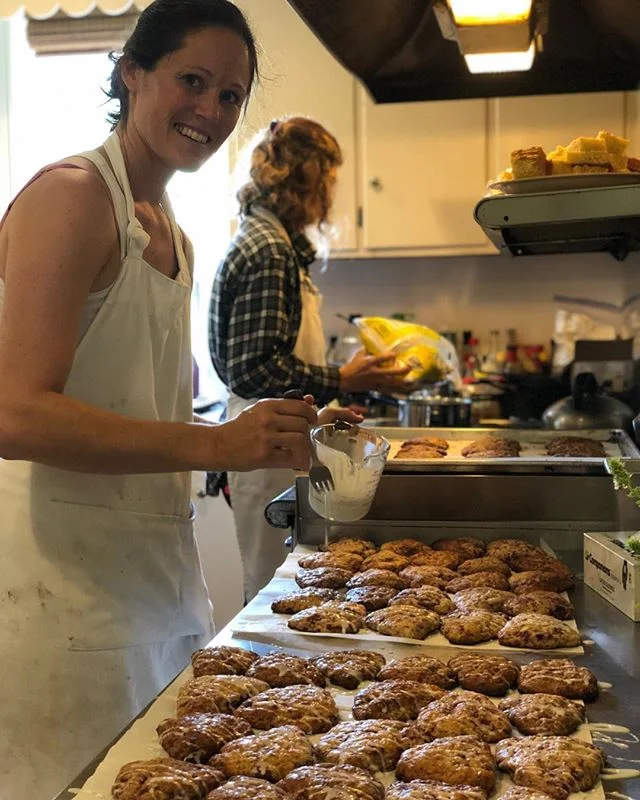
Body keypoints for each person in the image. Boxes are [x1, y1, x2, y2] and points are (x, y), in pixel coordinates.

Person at [0, 2, 325, 797]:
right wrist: (213, 446)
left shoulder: (172, 231)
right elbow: (14, 413)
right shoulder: (72, 196)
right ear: (130, 74)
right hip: (57, 594)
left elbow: (141, 409)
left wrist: (257, 431)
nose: (210, 110)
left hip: (149, 583)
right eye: (193, 81)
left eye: (230, 95)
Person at [209, 116, 410, 601]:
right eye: (330, 178)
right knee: (272, 596)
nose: (331, 193)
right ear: (308, 178)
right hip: (265, 451)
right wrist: (342, 377)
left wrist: (321, 407)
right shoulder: (269, 251)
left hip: (276, 439)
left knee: (292, 591)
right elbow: (253, 368)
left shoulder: (272, 243)